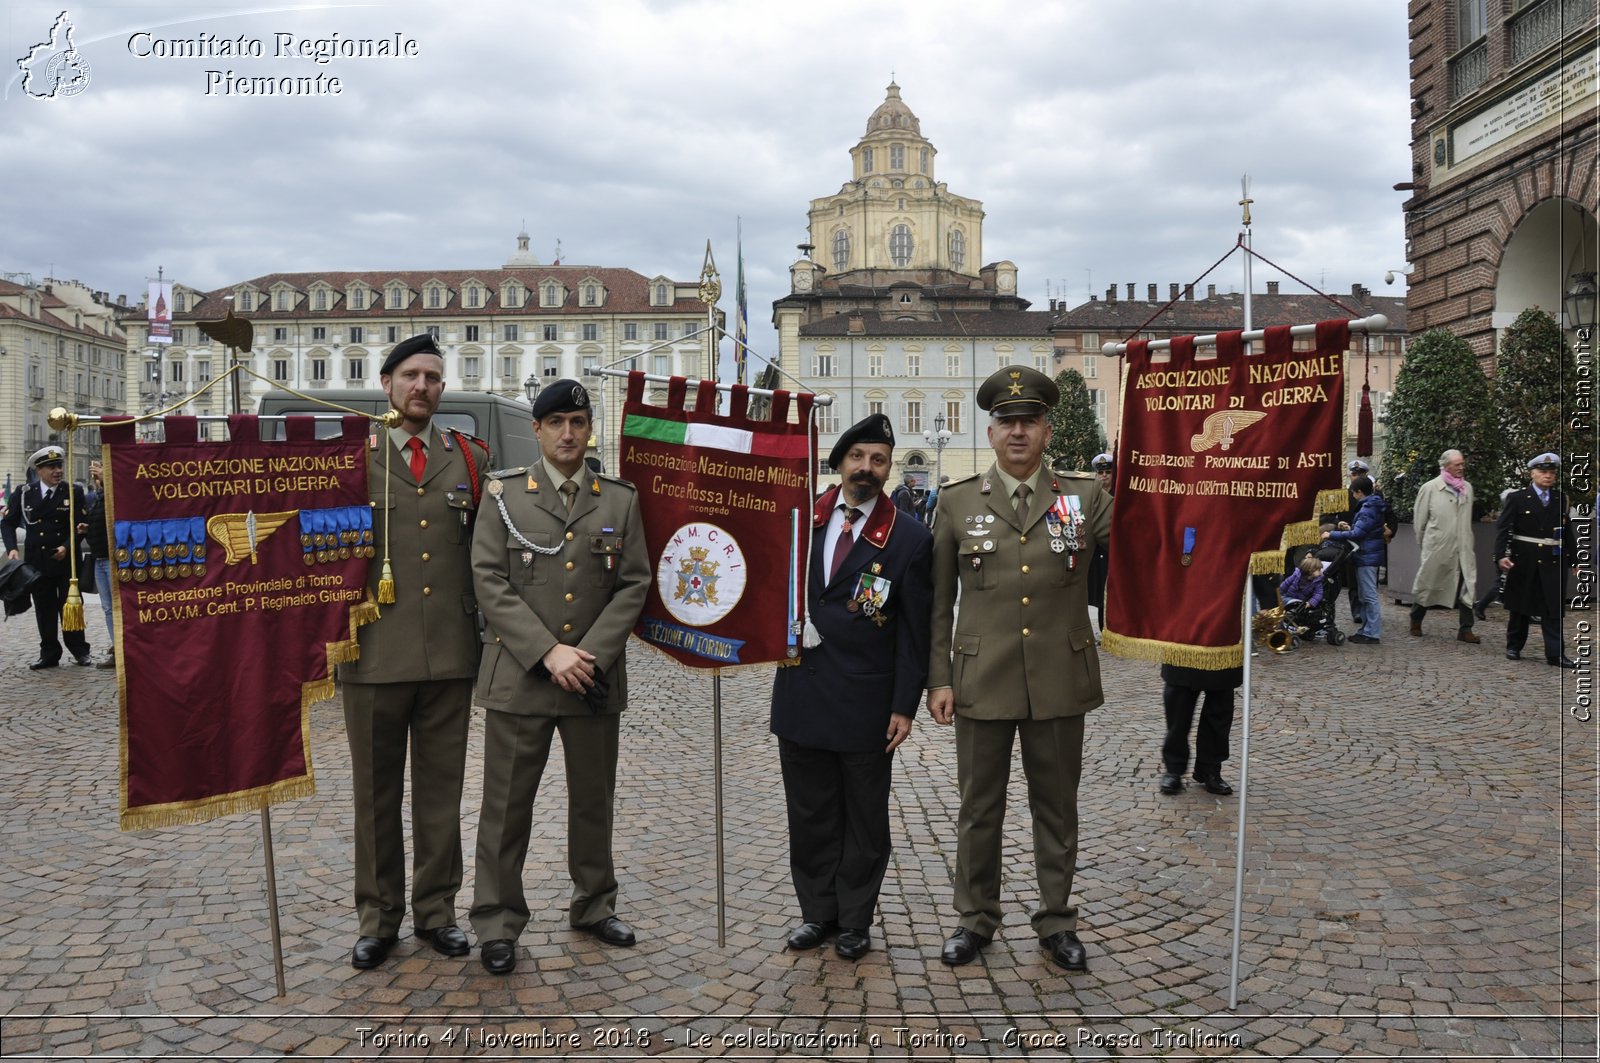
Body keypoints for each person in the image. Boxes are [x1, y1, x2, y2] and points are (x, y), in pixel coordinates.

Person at [926, 365, 1112, 973]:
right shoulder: (956, 504)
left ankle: (1057, 922)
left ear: (1048, 430)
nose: (1017, 432)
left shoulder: (1085, 498)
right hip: (982, 677)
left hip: (1060, 676)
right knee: (979, 807)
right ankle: (974, 919)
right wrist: (939, 678)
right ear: (990, 432)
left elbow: (1150, 533)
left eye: (1029, 421)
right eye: (1007, 421)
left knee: (1057, 807)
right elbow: (939, 604)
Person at [469, 379, 649, 976]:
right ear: (538, 431)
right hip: (521, 677)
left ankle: (594, 905)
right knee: (505, 808)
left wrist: (588, 653)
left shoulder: (618, 500)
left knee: (593, 802)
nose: (568, 433)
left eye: (578, 421)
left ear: (589, 427)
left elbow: (633, 584)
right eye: (557, 423)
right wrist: (550, 652)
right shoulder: (503, 495)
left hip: (592, 678)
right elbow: (489, 582)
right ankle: (496, 921)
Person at [337, 334, 490, 971]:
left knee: (440, 793)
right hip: (372, 654)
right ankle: (378, 918)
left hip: (450, 656)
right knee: (374, 795)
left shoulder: (470, 458)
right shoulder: (349, 458)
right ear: (387, 383)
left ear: (442, 388)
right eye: (410, 376)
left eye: (432, 376)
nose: (421, 386)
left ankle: (437, 912)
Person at [770, 414, 932, 961]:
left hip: (866, 702)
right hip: (802, 693)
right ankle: (817, 912)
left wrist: (904, 707)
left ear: (888, 469)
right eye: (858, 457)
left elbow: (914, 632)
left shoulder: (909, 537)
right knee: (810, 813)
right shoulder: (799, 519)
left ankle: (856, 920)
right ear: (839, 462)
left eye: (879, 460)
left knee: (865, 818)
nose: (867, 469)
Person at [2, 446, 92, 669]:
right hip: (38, 562)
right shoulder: (24, 493)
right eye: (52, 467)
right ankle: (49, 653)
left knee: (70, 606)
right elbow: (8, 523)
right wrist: (12, 548)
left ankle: (80, 650)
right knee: (44, 608)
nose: (58, 471)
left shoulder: (73, 492)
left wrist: (66, 547)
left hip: (66, 562)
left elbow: (79, 527)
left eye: (60, 466)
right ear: (39, 470)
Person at [1497, 453, 1575, 668]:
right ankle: (1514, 646)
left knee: (1553, 609)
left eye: (1551, 472)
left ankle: (1555, 654)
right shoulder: (1518, 498)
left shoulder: (1561, 499)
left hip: (1553, 560)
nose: (1547, 476)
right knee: (1520, 607)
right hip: (1525, 560)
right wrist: (1501, 556)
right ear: (1532, 474)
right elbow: (1503, 529)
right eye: (1542, 472)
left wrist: (1575, 560)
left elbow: (1567, 532)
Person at [1408, 449, 1480, 644]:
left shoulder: (1467, 488)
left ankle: (1466, 628)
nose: (1461, 468)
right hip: (1437, 546)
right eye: (1457, 464)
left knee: (1467, 586)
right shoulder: (1430, 488)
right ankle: (1416, 619)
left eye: (1462, 464)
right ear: (1446, 466)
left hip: (1463, 546)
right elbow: (1419, 522)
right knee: (1428, 584)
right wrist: (1426, 545)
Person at [1157, 662, 1243, 796]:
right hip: (1184, 646)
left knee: (1219, 706)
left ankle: (1209, 768)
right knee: (1178, 706)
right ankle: (1173, 769)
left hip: (1221, 647)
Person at [1323, 475, 1387, 644]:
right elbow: (1363, 530)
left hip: (1367, 556)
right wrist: (1349, 527)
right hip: (1366, 555)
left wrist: (1332, 534)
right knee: (1365, 594)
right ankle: (1366, 630)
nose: (1352, 495)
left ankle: (1372, 632)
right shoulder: (1370, 506)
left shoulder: (1368, 508)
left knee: (1369, 595)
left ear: (1359, 492)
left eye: (1353, 492)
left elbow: (1359, 534)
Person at [84, 460, 115, 668]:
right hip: (99, 559)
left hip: (112, 560)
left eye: (100, 476)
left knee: (116, 607)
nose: (97, 480)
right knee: (108, 608)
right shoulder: (98, 499)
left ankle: (121, 649)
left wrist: (107, 479)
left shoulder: (113, 497)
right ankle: (116, 646)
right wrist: (87, 528)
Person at [1087, 452, 1115, 633]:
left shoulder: (1119, 495)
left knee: (1111, 593)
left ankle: (1112, 629)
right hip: (1094, 553)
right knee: (1096, 593)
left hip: (1112, 552)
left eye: (1108, 472)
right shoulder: (1092, 496)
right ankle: (1103, 630)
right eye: (1100, 472)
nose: (1104, 476)